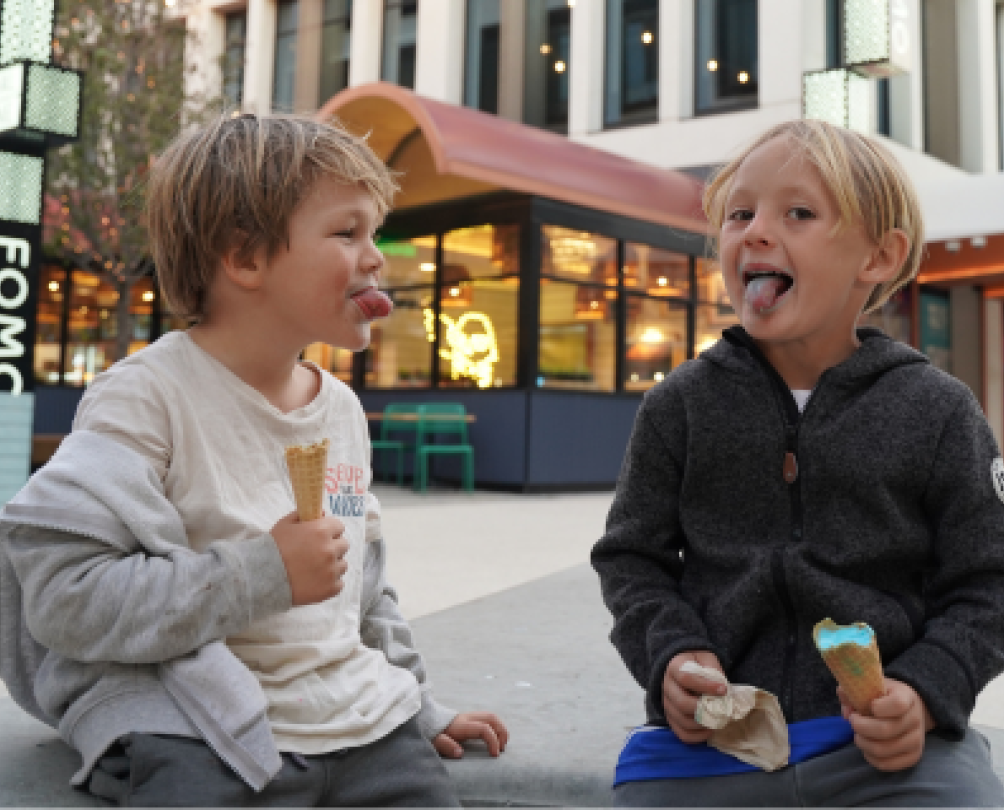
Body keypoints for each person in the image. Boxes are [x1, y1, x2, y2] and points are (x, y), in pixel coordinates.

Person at [0, 113, 507, 807]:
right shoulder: (147, 399)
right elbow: (62, 598)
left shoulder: (343, 414)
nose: (376, 257)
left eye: (375, 233)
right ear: (245, 258)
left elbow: (364, 592)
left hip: (355, 720)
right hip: (193, 719)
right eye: (347, 232)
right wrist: (261, 573)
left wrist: (418, 703)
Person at [591, 119, 1004, 807]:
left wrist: (928, 689)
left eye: (799, 213)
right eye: (739, 213)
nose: (753, 231)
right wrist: (670, 655)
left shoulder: (938, 412)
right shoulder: (679, 407)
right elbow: (631, 560)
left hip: (883, 747)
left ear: (877, 257)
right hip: (712, 742)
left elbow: (989, 580)